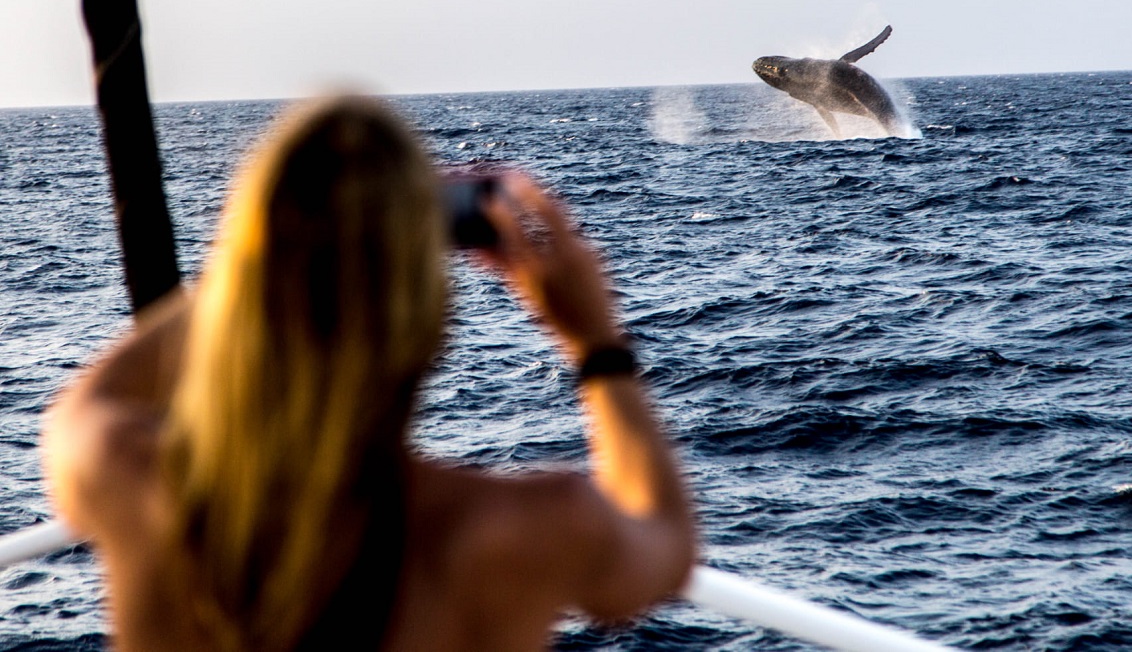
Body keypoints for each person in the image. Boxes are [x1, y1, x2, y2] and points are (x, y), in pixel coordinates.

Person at [42, 94, 696, 651]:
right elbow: (665, 544)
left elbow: (84, 407)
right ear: (423, 304)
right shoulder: (516, 530)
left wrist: (269, 255)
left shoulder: (134, 482)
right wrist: (594, 344)